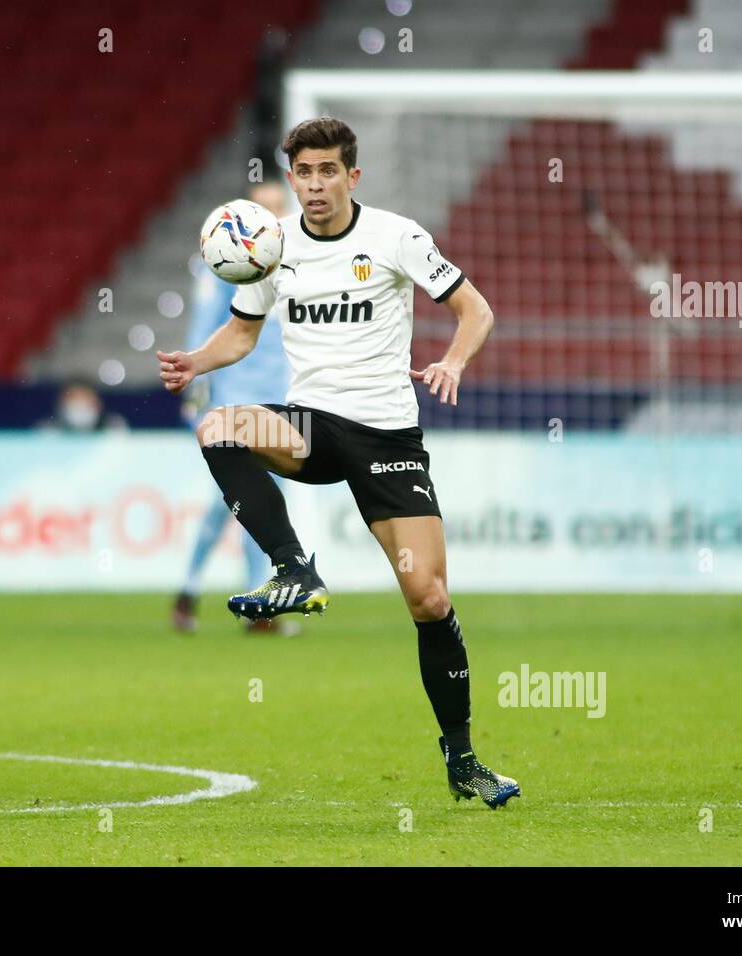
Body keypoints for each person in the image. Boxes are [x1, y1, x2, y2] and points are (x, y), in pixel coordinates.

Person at [155, 117, 519, 808]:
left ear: (352, 177)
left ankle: (464, 758)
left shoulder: (396, 237)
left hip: (387, 442)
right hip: (314, 427)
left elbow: (476, 310)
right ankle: (295, 569)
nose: (315, 185)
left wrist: (453, 360)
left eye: (328, 172)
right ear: (292, 179)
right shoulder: (273, 247)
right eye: (304, 173)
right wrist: (193, 362)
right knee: (219, 426)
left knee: (430, 600)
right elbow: (241, 330)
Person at [173, 183, 296, 636]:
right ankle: (250, 604)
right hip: (231, 400)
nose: (274, 217)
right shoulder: (223, 269)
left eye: (280, 209)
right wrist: (195, 394)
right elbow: (201, 335)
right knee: (239, 501)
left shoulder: (297, 269)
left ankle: (195, 590)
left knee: (252, 501)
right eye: (266, 209)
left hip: (282, 404)